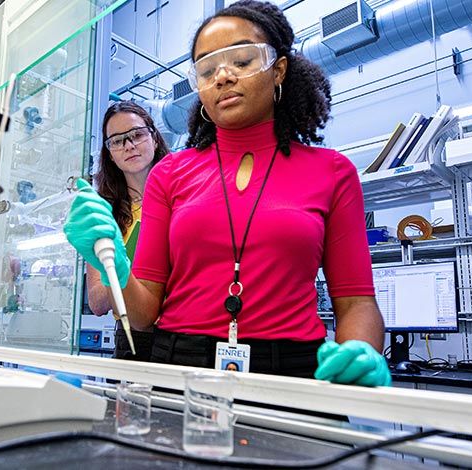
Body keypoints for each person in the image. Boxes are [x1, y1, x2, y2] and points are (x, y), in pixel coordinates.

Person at [65, 0, 390, 387]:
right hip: (180, 366)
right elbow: (142, 314)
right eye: (207, 69)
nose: (223, 76)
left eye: (242, 61)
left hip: (294, 372)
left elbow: (356, 302)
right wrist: (114, 264)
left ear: (279, 70)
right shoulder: (169, 173)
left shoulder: (332, 172)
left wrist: (363, 351)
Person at [86, 101, 170, 361]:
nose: (129, 145)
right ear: (109, 153)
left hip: (181, 333)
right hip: (132, 338)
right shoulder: (101, 218)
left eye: (137, 135)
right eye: (117, 141)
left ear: (154, 139)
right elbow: (98, 302)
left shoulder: (183, 199)